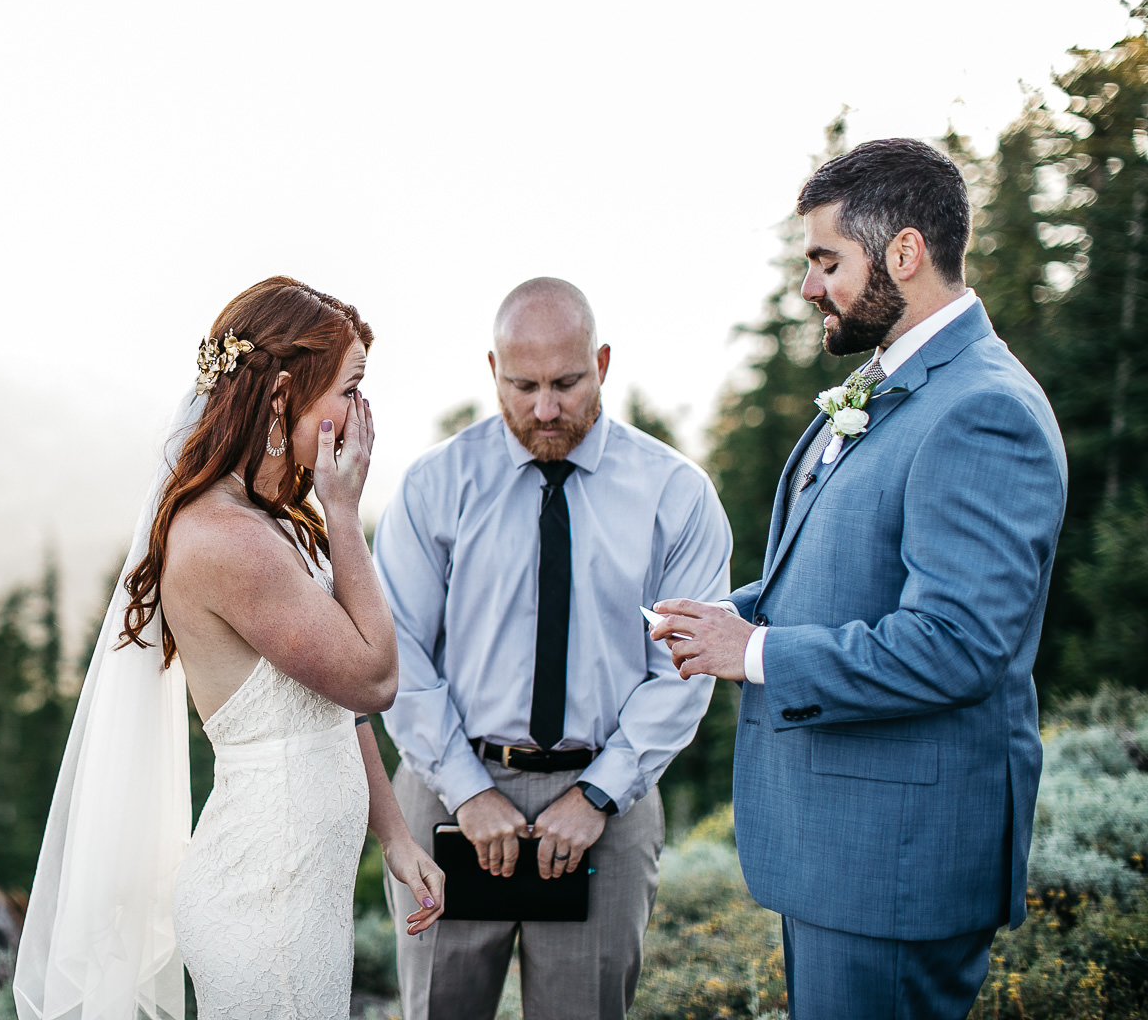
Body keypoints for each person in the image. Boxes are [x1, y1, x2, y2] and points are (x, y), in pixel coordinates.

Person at [651, 138, 1067, 1020]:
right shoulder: (894, 384)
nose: (810, 287)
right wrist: (717, 618)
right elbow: (846, 579)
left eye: (826, 260)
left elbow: (956, 648)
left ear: (905, 253)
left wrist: (754, 651)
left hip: (897, 864)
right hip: (843, 854)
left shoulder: (983, 409)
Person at [15, 276, 445, 1020]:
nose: (362, 416)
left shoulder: (275, 516)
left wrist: (395, 835)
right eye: (349, 390)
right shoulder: (227, 540)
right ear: (283, 399)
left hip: (300, 891)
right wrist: (346, 513)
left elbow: (338, 704)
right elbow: (375, 678)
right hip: (263, 899)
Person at [375, 278, 731, 1020]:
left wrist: (600, 792)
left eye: (566, 383)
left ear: (601, 362)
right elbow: (398, 652)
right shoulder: (433, 487)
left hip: (608, 804)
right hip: (449, 795)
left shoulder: (677, 495)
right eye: (523, 385)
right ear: (492, 371)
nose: (544, 408)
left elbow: (684, 667)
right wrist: (468, 790)